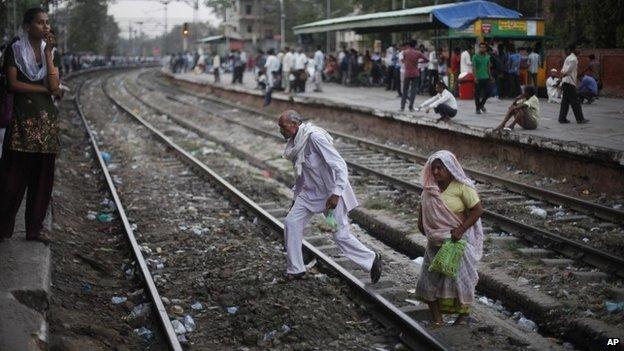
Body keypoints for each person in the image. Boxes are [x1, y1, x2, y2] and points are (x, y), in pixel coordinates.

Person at [278, 110, 382, 282]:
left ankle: (371, 260)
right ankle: (295, 269)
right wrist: (295, 199)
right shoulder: (295, 142)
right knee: (291, 222)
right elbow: (301, 174)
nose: (280, 130)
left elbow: (340, 165)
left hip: (330, 194)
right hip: (308, 193)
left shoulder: (314, 137)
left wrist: (336, 194)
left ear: (295, 125)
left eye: (283, 127)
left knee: (340, 235)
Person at [1, 7, 62, 244]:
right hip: (22, 122)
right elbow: (13, 84)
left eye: (47, 23)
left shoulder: (50, 51)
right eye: (40, 23)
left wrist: (48, 57)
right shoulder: (14, 51)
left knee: (42, 180)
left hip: (46, 124)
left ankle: (34, 230)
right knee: (11, 179)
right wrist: (42, 89)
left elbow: (55, 86)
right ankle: (3, 226)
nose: (45, 27)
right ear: (27, 27)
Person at [415, 150, 484, 327]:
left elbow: (477, 210)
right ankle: (437, 319)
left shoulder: (462, 186)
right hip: (435, 244)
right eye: (434, 168)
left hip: (456, 243)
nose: (436, 172)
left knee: (461, 281)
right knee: (428, 281)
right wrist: (429, 231)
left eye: (440, 168)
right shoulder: (428, 190)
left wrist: (460, 229)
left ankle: (462, 318)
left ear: (450, 168)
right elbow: (422, 217)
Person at [558, 44, 588, 124]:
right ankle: (580, 119)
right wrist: (563, 75)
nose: (579, 49)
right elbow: (567, 70)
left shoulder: (568, 57)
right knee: (575, 101)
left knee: (565, 102)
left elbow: (563, 70)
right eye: (578, 48)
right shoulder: (573, 59)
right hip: (569, 82)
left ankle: (562, 118)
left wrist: (562, 75)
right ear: (573, 50)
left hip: (566, 82)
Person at [400, 40, 428, 112]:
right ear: (415, 45)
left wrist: (407, 62)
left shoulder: (405, 52)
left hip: (407, 73)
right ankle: (411, 107)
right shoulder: (418, 53)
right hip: (415, 73)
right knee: (413, 90)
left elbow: (403, 60)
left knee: (405, 90)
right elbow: (427, 60)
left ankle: (402, 107)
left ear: (409, 45)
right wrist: (419, 61)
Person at [472, 43, 491, 114]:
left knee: (488, 93)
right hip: (478, 78)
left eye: (484, 48)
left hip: (486, 77)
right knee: (477, 94)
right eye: (481, 47)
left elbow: (488, 67)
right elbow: (473, 68)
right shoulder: (475, 57)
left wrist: (490, 76)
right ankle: (477, 109)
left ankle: (481, 105)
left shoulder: (487, 57)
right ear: (479, 48)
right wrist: (475, 77)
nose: (482, 49)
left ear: (485, 49)